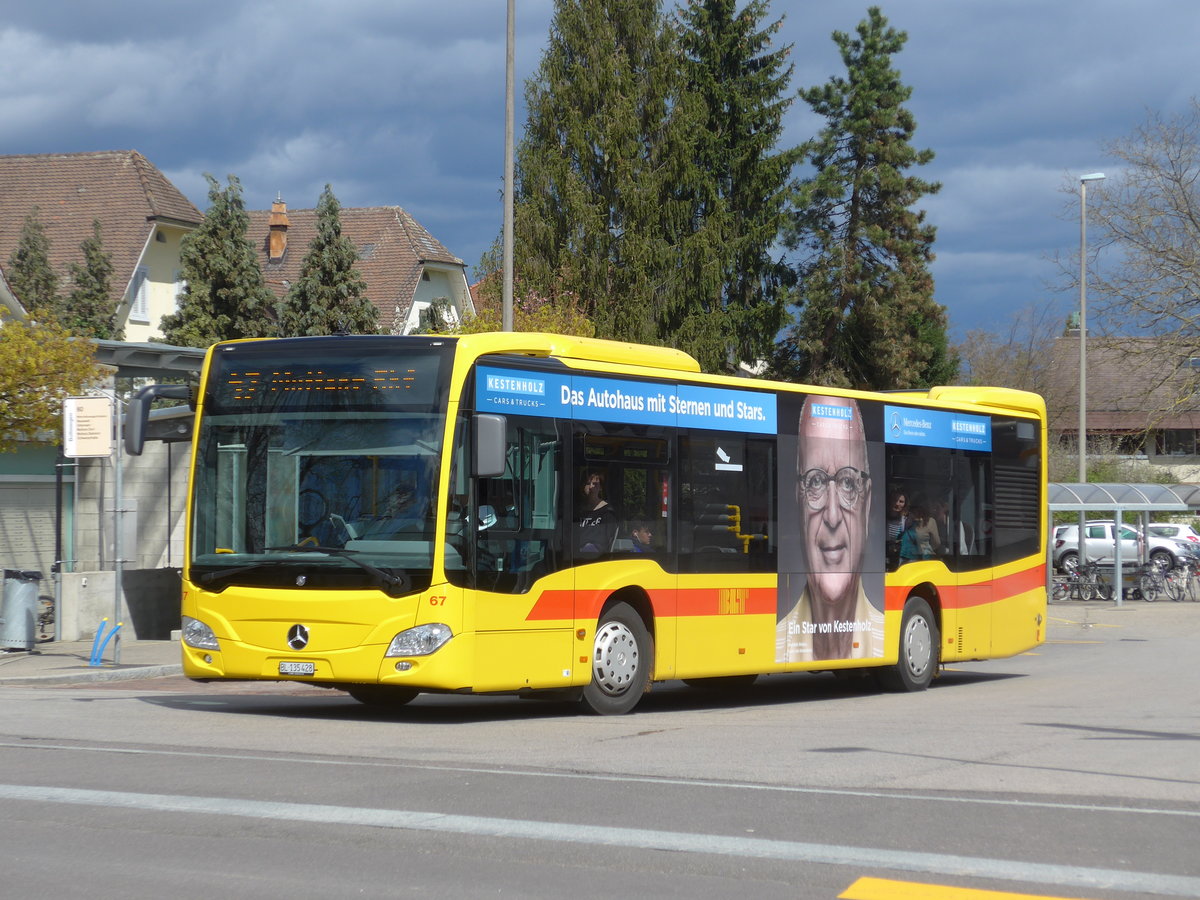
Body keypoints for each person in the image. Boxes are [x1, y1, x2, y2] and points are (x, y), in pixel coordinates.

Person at [776, 395, 884, 662]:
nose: (833, 516)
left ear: (867, 501)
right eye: (816, 482)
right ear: (799, 500)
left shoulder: (887, 640)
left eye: (848, 483)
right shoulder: (774, 645)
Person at [577, 470, 617, 554]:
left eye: (595, 484)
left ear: (601, 488)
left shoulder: (607, 512)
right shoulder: (577, 511)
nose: (591, 487)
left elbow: (605, 542)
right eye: (588, 483)